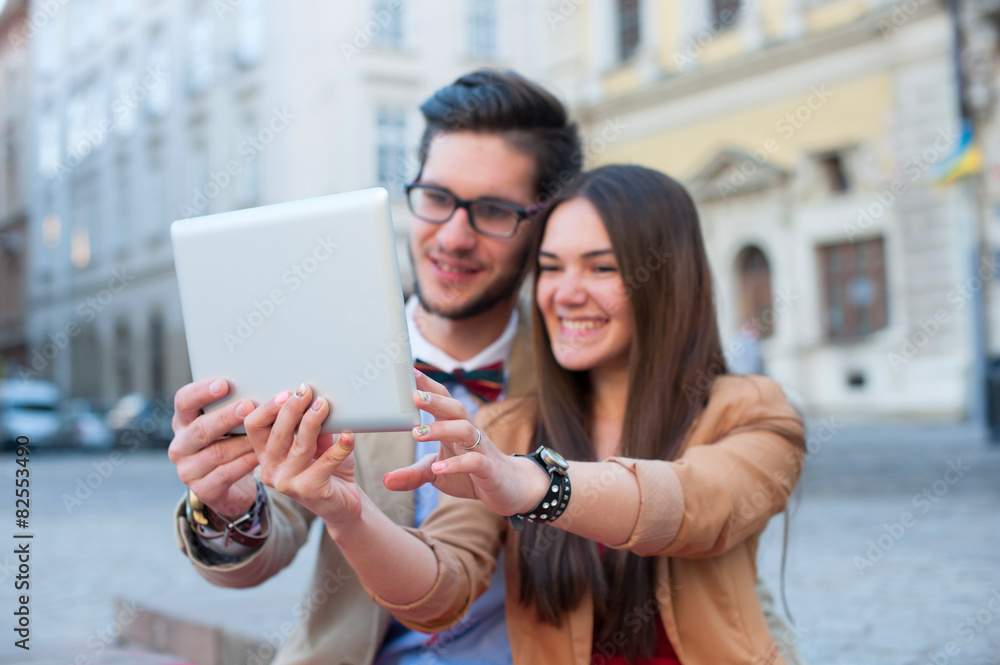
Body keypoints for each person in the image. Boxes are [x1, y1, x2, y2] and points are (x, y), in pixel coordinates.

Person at [240, 164, 807, 665]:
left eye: (602, 268)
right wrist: (347, 514)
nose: (565, 293)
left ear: (667, 279)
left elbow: (695, 506)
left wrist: (532, 484)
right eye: (552, 268)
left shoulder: (751, 408)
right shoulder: (506, 426)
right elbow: (441, 591)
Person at [169, 69, 581, 665]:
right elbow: (264, 547)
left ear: (541, 224)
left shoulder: (575, 365)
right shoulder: (324, 341)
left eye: (492, 210)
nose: (453, 237)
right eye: (436, 199)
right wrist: (231, 509)